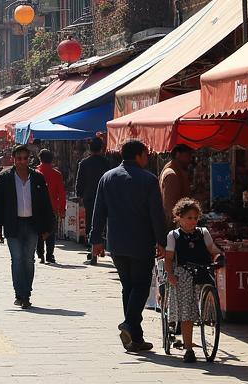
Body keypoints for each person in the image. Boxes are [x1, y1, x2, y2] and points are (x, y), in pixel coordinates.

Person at [90, 139, 166, 354]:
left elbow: (99, 211)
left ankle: (135, 338)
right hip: (141, 241)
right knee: (141, 286)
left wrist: (96, 240)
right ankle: (129, 324)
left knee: (128, 286)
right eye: (146, 154)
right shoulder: (148, 180)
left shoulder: (108, 177)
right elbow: (156, 215)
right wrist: (161, 240)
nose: (148, 158)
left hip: (116, 242)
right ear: (140, 155)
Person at [0, 144, 55, 308]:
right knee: (17, 259)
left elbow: (46, 204)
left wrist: (48, 227)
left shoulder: (37, 178)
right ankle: (20, 293)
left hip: (32, 225)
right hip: (13, 225)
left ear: (29, 159)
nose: (22, 161)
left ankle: (26, 292)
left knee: (28, 260)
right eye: (18, 158)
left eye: (25, 158)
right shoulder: (5, 178)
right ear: (14, 159)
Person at [163, 197, 223, 363]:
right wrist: (170, 275)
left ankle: (208, 316)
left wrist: (220, 257)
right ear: (179, 218)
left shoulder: (203, 233)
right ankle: (188, 349)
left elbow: (212, 249)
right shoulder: (173, 236)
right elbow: (169, 258)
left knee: (207, 292)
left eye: (195, 218)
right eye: (189, 218)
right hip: (184, 273)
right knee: (186, 312)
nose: (193, 221)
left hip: (203, 270)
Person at [75, 137, 110, 264]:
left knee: (91, 222)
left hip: (89, 197)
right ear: (101, 148)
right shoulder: (106, 162)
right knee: (103, 223)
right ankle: (100, 248)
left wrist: (79, 195)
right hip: (104, 196)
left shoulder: (84, 163)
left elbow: (80, 181)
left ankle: (92, 249)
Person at [35, 150, 66, 264]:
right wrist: (62, 209)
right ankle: (49, 254)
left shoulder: (35, 172)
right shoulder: (56, 174)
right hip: (52, 207)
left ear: (40, 158)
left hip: (37, 207)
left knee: (38, 230)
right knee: (51, 231)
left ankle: (40, 253)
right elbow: (61, 193)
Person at [159, 144, 193, 228]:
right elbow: (170, 208)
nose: (190, 159)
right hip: (175, 227)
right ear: (177, 155)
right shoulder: (172, 174)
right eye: (187, 155)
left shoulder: (177, 171)